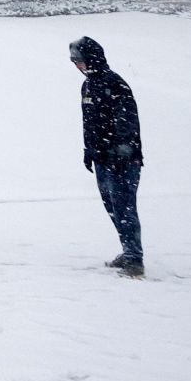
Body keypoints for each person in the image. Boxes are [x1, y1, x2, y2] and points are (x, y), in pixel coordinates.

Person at [71, 35, 145, 278]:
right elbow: (89, 123)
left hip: (123, 160)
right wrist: (89, 150)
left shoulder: (114, 83)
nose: (78, 66)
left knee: (125, 207)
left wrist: (122, 149)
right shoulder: (88, 85)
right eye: (75, 62)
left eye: (80, 60)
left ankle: (134, 258)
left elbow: (127, 121)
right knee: (112, 207)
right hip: (101, 158)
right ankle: (128, 249)